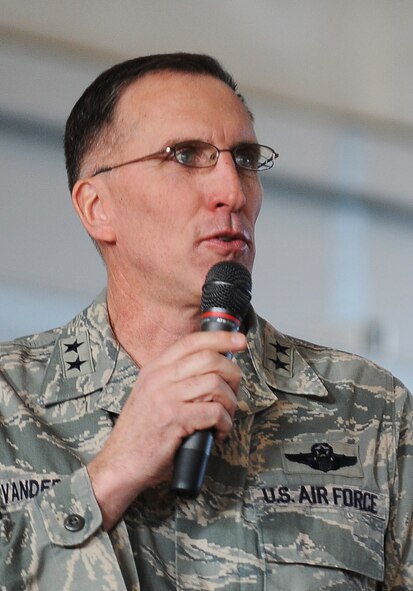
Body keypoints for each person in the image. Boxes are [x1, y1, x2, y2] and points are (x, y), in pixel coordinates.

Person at [0, 52, 411, 591]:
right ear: (97, 206)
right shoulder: (10, 404)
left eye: (243, 158)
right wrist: (109, 477)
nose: (233, 192)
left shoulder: (369, 408)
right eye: (186, 155)